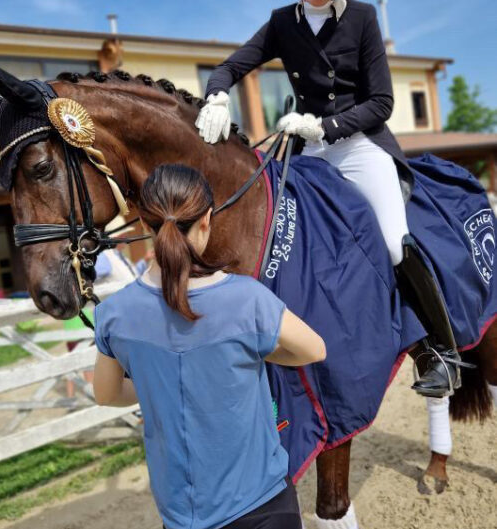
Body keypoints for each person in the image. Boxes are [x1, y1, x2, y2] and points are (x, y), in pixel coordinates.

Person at [195, 0, 463, 399]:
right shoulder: (283, 21)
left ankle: (441, 354)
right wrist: (216, 96)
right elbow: (230, 67)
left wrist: (325, 127)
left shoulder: (363, 16)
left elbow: (381, 102)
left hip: (358, 144)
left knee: (392, 240)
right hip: (308, 148)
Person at [93, 164, 326, 529]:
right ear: (206, 220)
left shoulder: (113, 314)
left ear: (143, 225)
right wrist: (257, 351)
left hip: (180, 514)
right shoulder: (247, 299)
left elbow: (106, 394)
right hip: (261, 500)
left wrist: (161, 378)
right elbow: (314, 350)